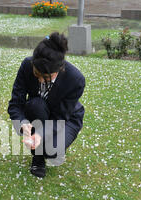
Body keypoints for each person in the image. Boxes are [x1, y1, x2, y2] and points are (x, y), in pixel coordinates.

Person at [8, 32, 85, 178]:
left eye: (47, 77)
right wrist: (23, 123)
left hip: (65, 119)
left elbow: (60, 118)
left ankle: (45, 150)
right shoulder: (26, 65)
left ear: (60, 68)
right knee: (35, 104)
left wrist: (39, 134)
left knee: (52, 151)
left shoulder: (76, 79)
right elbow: (15, 104)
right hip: (38, 110)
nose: (42, 81)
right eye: (37, 74)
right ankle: (37, 158)